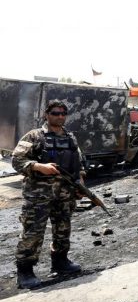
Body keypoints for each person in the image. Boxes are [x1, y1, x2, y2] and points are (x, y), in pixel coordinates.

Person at [11, 100, 85, 289]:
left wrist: (80, 183)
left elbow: (79, 162)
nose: (59, 116)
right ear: (47, 114)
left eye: (63, 113)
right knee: (33, 232)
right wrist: (39, 167)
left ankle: (60, 262)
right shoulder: (35, 136)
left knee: (62, 230)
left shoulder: (70, 137)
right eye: (55, 113)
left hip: (64, 195)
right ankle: (25, 271)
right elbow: (17, 160)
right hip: (39, 196)